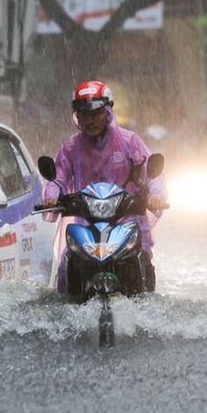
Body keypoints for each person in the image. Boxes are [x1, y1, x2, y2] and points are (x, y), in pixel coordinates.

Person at [42, 80, 167, 293]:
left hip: (127, 223)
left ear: (108, 111)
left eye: (96, 113)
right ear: (77, 117)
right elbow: (57, 179)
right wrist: (52, 195)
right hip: (87, 228)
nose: (90, 120)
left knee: (142, 265)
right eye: (84, 114)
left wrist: (156, 194)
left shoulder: (130, 142)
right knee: (65, 269)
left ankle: (145, 313)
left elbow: (152, 176)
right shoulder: (71, 148)